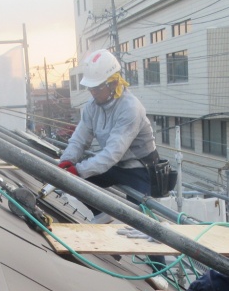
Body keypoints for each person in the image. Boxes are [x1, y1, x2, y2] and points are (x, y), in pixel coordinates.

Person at [58, 49, 157, 202]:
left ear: (114, 83)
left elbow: (112, 153)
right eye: (90, 88)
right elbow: (79, 140)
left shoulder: (130, 108)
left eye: (97, 88)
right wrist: (67, 161)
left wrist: (78, 170)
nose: (93, 92)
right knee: (77, 185)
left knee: (136, 215)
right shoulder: (92, 107)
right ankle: (101, 215)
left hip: (140, 169)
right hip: (115, 166)